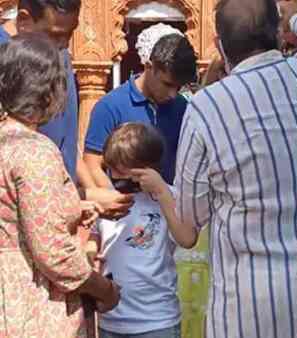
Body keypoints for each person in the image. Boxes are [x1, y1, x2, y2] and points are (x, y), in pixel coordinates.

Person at [175, 0, 297, 337]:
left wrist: (159, 189)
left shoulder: (207, 105)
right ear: (277, 31)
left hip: (247, 308)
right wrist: (293, 19)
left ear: (218, 44)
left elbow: (188, 223)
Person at [0, 33, 120, 338]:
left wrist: (72, 207)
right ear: (50, 92)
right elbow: (53, 253)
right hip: (30, 304)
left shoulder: (8, 141)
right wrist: (103, 289)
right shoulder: (33, 151)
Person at [0, 0, 135, 219]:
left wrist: (96, 198)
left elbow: (65, 146)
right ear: (24, 21)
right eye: (54, 34)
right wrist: (83, 196)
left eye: (70, 34)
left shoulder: (58, 55)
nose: (63, 44)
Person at [88, 122, 197, 338]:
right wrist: (90, 251)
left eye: (124, 173)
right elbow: (96, 234)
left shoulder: (170, 197)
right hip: (112, 319)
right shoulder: (110, 197)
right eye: (112, 171)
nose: (117, 179)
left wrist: (161, 192)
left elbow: (186, 237)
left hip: (157, 319)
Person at [84, 33, 197, 188]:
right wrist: (117, 201)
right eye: (167, 84)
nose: (172, 94)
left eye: (178, 88)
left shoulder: (181, 107)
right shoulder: (110, 106)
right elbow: (92, 165)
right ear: (149, 67)